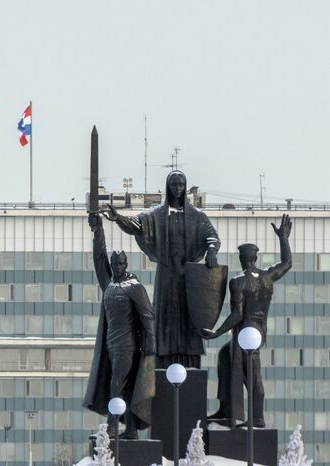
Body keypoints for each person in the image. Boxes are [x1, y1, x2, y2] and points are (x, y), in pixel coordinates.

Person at [103, 170, 221, 367]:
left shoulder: (196, 216)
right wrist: (118, 218)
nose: (177, 188)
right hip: (167, 274)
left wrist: (211, 250)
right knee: (164, 314)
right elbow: (136, 225)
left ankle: (189, 357)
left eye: (181, 185)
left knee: (187, 314)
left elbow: (212, 236)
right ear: (168, 187)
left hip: (188, 275)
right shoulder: (156, 214)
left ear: (185, 187)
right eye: (174, 185)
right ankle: (164, 354)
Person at [203, 215, 293, 428]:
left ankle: (257, 417)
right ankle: (226, 409)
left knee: (251, 373)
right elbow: (287, 263)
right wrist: (283, 238)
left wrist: (216, 332)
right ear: (255, 258)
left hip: (246, 330)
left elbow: (237, 314)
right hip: (259, 330)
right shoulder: (267, 277)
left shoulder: (239, 282)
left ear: (242, 259)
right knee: (227, 355)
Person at [83, 212, 156, 438]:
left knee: (118, 385)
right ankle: (130, 429)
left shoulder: (134, 286)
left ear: (126, 264)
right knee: (121, 386)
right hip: (111, 345)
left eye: (120, 263)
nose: (117, 267)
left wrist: (151, 342)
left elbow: (147, 315)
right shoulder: (110, 284)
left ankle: (113, 430)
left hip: (128, 346)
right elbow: (99, 258)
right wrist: (99, 231)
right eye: (114, 263)